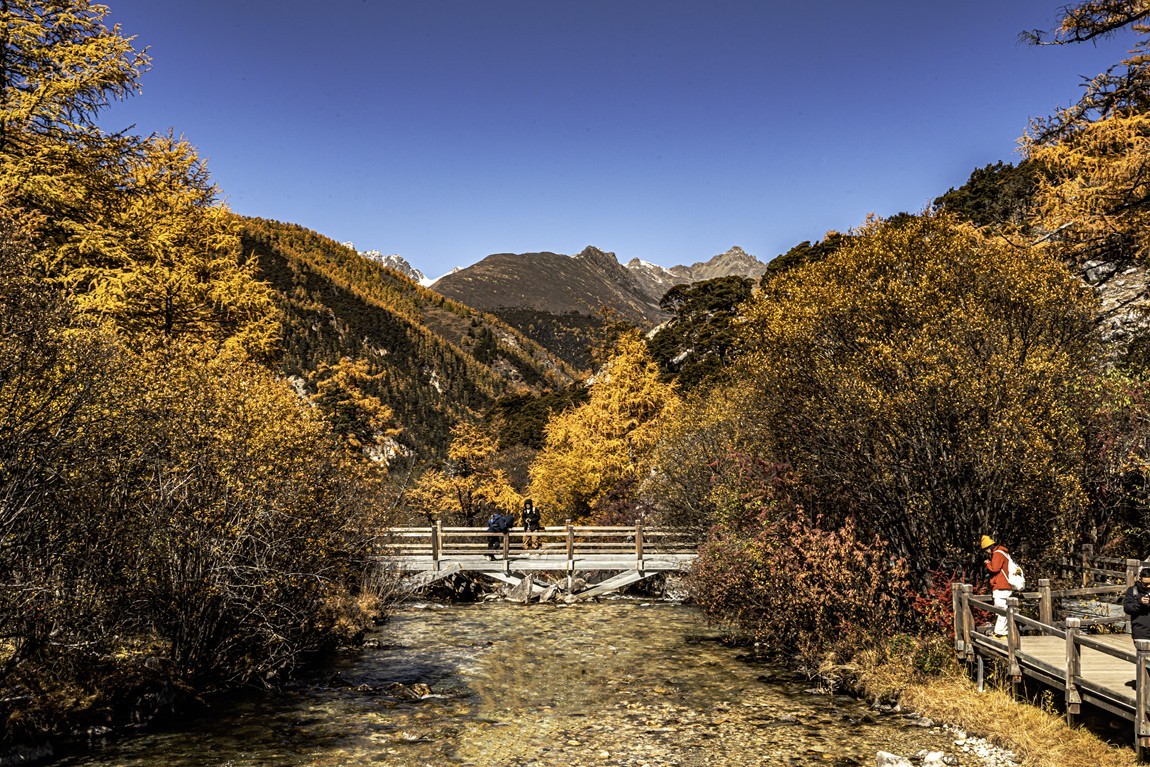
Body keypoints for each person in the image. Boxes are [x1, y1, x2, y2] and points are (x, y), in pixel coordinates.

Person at [981, 534, 1013, 640]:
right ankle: (1002, 632)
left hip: (1001, 585)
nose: (986, 552)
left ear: (988, 547)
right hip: (1006, 585)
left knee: (1000, 609)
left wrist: (987, 564)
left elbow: (995, 568)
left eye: (985, 550)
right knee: (1004, 609)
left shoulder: (997, 554)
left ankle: (1000, 633)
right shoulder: (1003, 552)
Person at [1123, 568, 1150, 688]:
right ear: (1140, 579)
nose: (1148, 586)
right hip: (1141, 632)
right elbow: (1127, 608)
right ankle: (1143, 686)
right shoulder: (1132, 591)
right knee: (1143, 660)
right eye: (1145, 583)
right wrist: (1139, 602)